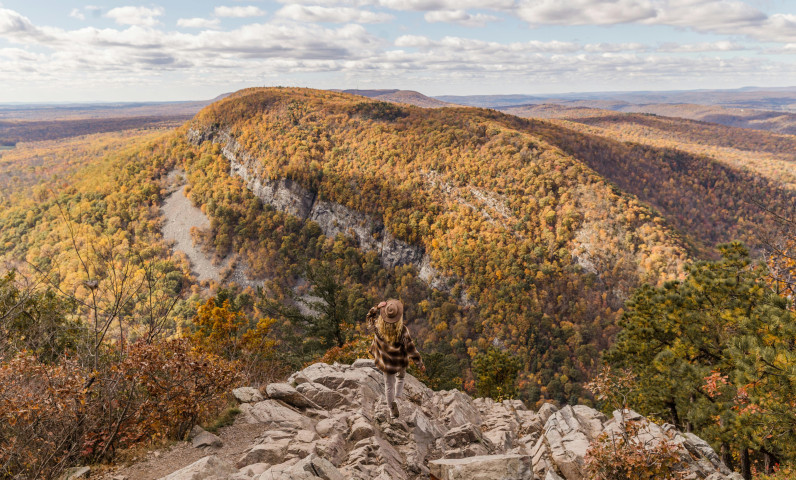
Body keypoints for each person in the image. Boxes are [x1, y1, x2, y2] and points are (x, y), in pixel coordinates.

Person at [366, 299, 425, 418]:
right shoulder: (402, 330)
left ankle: (391, 410)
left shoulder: (378, 327)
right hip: (400, 361)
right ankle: (398, 397)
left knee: (389, 385)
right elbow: (410, 348)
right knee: (401, 377)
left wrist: (376, 307)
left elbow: (369, 318)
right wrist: (419, 363)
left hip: (386, 362)